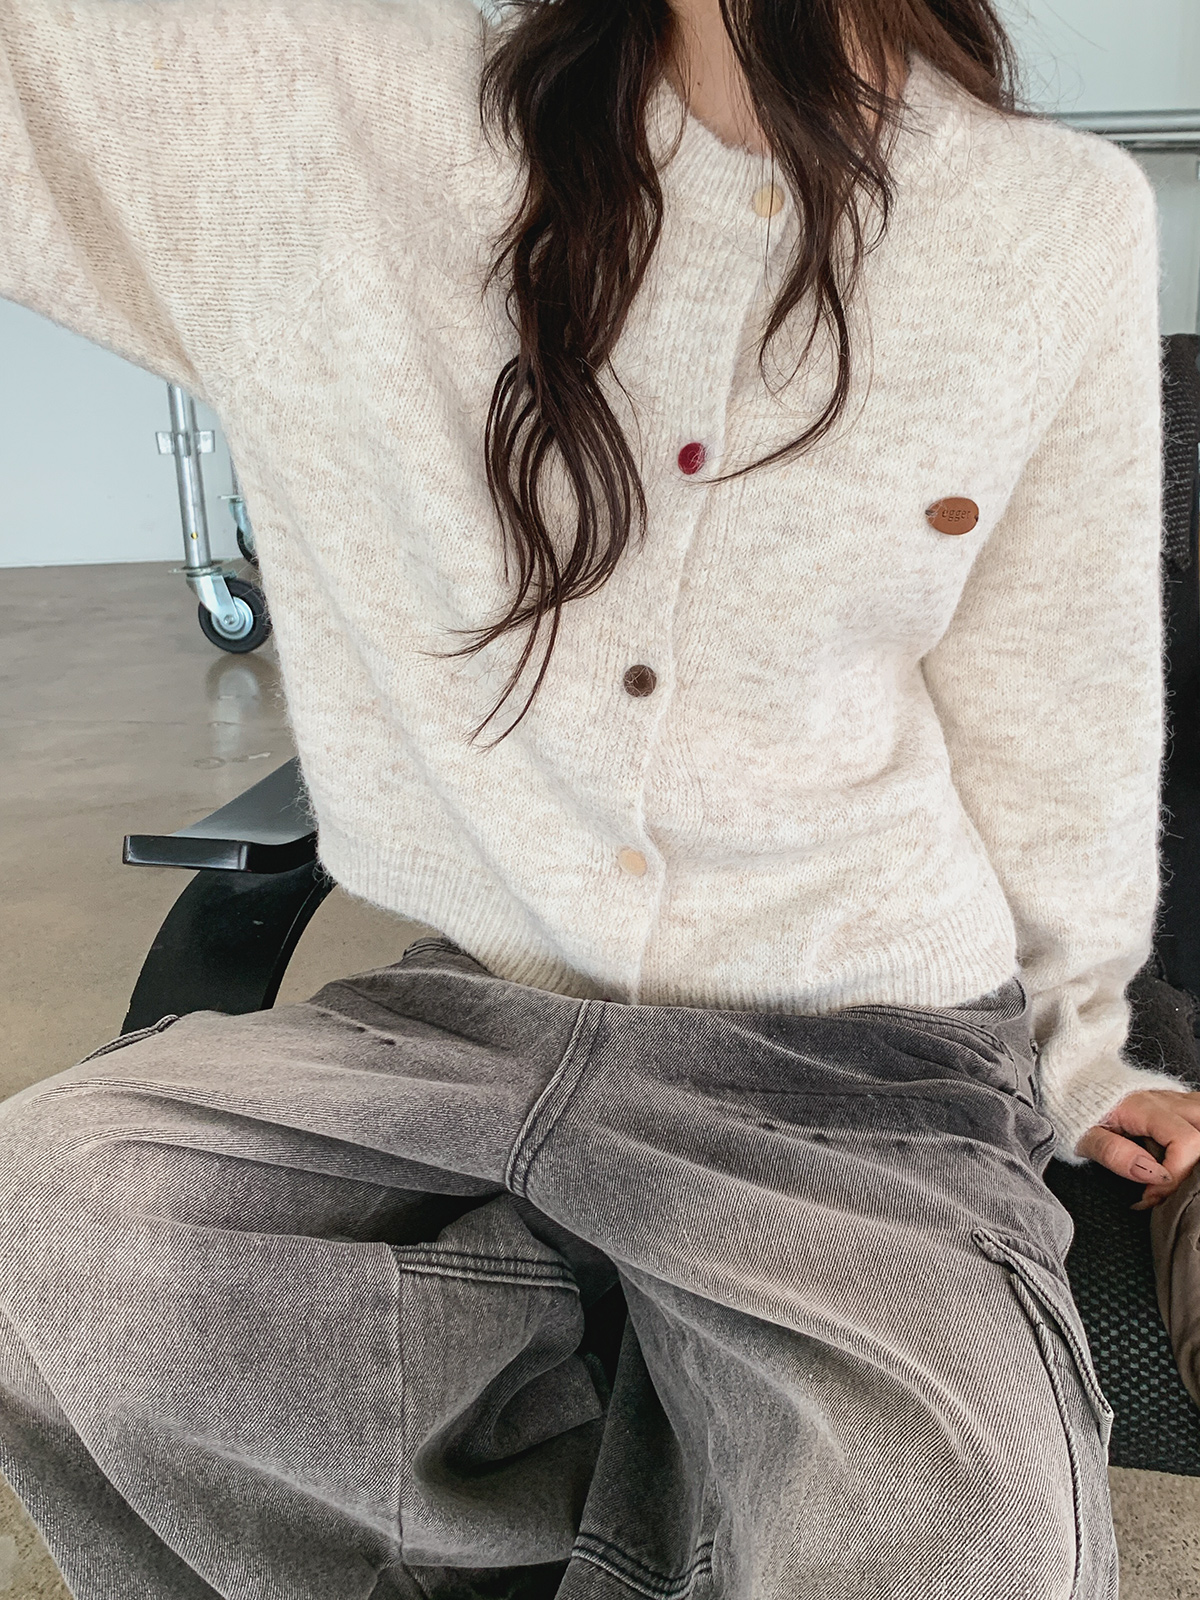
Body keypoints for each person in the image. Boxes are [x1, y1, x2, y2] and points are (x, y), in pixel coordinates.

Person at [1, 0, 1199, 1594]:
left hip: (864, 1060)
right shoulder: (347, 115)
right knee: (56, 1222)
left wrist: (1081, 1043)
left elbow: (1055, 692)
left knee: (967, 1528)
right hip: (480, 1021)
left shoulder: (1049, 221)